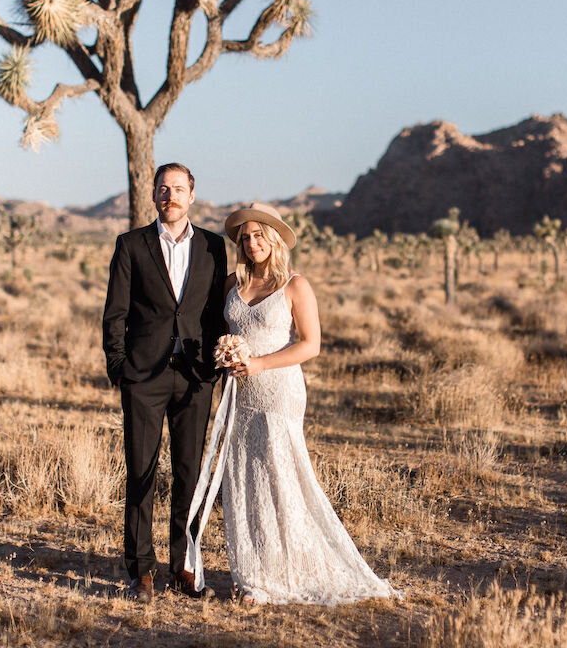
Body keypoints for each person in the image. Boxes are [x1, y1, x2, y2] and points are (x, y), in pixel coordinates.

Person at [184, 202, 397, 604]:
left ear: (275, 238)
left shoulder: (295, 286)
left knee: (280, 475)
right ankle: (254, 575)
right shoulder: (232, 285)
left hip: (279, 390)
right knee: (244, 477)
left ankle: (288, 569)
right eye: (245, 237)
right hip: (241, 395)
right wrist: (226, 355)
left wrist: (259, 363)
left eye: (259, 235)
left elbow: (311, 345)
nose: (251, 242)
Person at [102, 163, 227, 602]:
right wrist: (121, 368)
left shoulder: (213, 246)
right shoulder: (131, 244)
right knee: (141, 472)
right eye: (162, 188)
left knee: (189, 474)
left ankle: (184, 565)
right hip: (143, 377)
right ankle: (141, 570)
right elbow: (114, 312)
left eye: (177, 189)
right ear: (153, 194)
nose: (169, 195)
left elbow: (214, 313)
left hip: (194, 378)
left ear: (192, 195)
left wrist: (214, 366)